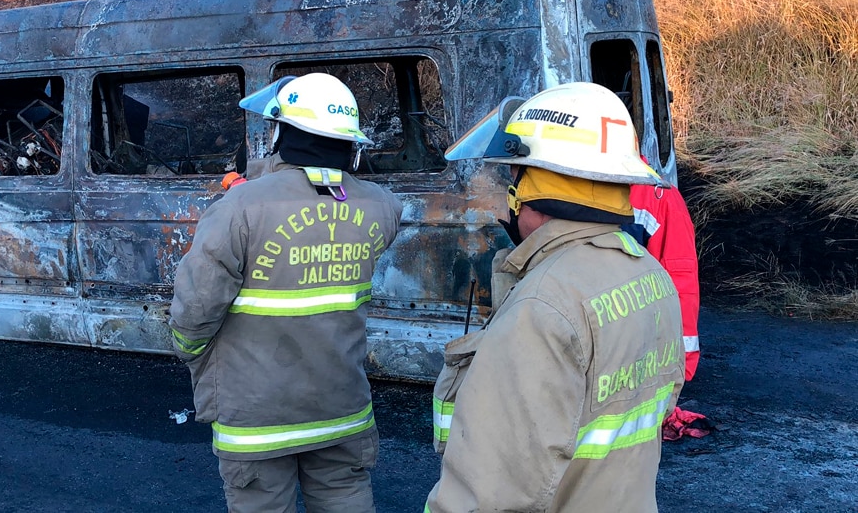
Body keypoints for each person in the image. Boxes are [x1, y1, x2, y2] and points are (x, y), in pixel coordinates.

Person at [425, 82, 686, 513]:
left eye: (512, 181)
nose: (506, 202)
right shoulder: (647, 272)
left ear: (539, 194)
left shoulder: (545, 306)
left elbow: (489, 493)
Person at [170, 72, 403, 513]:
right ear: (350, 141)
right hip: (342, 407)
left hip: (258, 418)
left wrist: (189, 350)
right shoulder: (381, 207)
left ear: (279, 131)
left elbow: (196, 308)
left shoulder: (239, 208)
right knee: (346, 498)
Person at [628, 173, 701, 381]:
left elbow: (679, 283)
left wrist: (681, 365)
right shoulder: (656, 197)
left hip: (628, 360)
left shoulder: (657, 196)